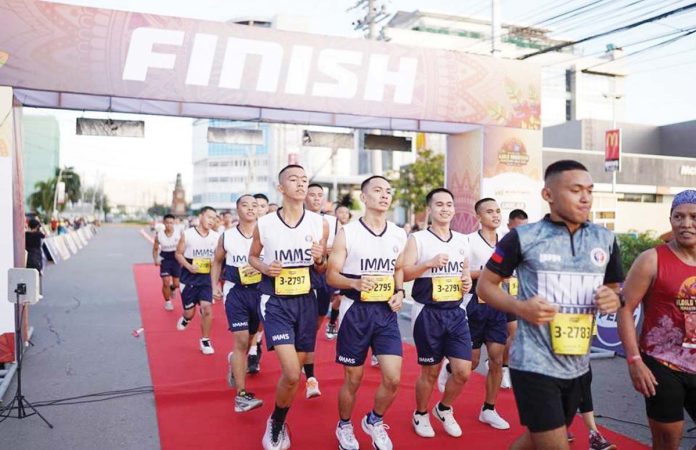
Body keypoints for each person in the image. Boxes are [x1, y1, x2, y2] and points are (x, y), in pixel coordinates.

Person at [477, 160, 623, 450]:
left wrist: (613, 298)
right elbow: (485, 286)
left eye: (590, 191)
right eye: (575, 190)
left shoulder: (605, 239)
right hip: (533, 363)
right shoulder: (523, 237)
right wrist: (521, 308)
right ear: (548, 195)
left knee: (536, 440)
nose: (585, 198)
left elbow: (613, 288)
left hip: (577, 364)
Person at [249, 165, 328, 450]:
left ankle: (278, 414)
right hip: (276, 302)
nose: (300, 184)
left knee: (295, 373)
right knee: (293, 373)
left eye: (304, 180)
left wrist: (320, 259)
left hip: (306, 301)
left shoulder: (320, 223)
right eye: (293, 179)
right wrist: (266, 268)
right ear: (281, 187)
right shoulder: (266, 223)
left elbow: (322, 268)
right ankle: (277, 423)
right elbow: (252, 257)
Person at [327, 175, 407, 450]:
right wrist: (354, 283)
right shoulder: (348, 232)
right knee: (354, 377)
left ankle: (373, 420)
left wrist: (400, 291)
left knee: (394, 378)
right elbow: (331, 275)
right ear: (364, 197)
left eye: (388, 191)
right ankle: (345, 425)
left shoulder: (399, 233)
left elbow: (399, 268)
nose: (384, 195)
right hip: (355, 312)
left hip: (385, 313)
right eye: (377, 190)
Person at [618, 189, 696, 450]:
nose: (686, 224)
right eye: (679, 216)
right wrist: (634, 361)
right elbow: (625, 308)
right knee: (668, 440)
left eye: (694, 217)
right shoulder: (651, 259)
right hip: (662, 364)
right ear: (670, 219)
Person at [403, 188, 473, 438]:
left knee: (464, 370)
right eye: (440, 204)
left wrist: (466, 283)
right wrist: (428, 264)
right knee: (430, 371)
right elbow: (404, 273)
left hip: (455, 312)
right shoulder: (418, 239)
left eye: (449, 204)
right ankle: (420, 413)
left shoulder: (463, 240)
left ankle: (443, 408)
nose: (445, 209)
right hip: (427, 312)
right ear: (430, 209)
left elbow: (465, 272)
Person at [449, 197, 510, 429]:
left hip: (497, 305)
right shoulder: (468, 241)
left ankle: (489, 409)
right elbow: (461, 273)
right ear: (478, 217)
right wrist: (487, 273)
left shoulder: (506, 242)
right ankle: (450, 369)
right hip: (474, 303)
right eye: (489, 211)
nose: (495, 215)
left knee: (496, 359)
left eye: (497, 211)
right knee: (472, 362)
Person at [211, 195, 263, 413]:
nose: (250, 209)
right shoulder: (228, 236)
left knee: (252, 337)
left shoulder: (267, 234)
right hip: (236, 292)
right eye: (245, 205)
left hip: (261, 292)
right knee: (241, 340)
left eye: (254, 205)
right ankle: (241, 396)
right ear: (237, 209)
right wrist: (214, 284)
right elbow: (217, 260)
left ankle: (235, 360)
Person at [302, 183, 339, 398]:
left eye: (320, 195)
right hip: (299, 278)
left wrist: (324, 252)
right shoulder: (294, 219)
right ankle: (310, 377)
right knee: (306, 328)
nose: (316, 198)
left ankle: (304, 354)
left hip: (322, 276)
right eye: (312, 194)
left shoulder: (331, 223)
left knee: (315, 324)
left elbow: (340, 248)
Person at [174, 206, 220, 355]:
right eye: (209, 217)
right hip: (188, 279)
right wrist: (188, 265)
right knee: (190, 312)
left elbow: (217, 262)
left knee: (207, 309)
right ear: (201, 216)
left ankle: (205, 340)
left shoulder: (216, 237)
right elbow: (178, 254)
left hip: (206, 279)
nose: (211, 221)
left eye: (214, 218)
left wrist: (215, 283)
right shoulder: (187, 234)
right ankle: (186, 318)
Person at [501, 209, 529, 389]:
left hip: (520, 298)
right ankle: (501, 366)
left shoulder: (529, 244)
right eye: (517, 228)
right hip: (500, 297)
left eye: (524, 228)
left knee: (514, 334)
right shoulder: (503, 244)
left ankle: (503, 366)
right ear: (509, 226)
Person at [248, 193, 271, 373]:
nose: (258, 209)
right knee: (250, 322)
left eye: (262, 206)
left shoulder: (274, 228)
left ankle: (255, 348)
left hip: (267, 283)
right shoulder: (238, 231)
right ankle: (251, 345)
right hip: (244, 285)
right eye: (255, 205)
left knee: (261, 317)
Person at [326, 204, 352, 340]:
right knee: (335, 299)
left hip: (347, 270)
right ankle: (331, 321)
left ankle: (333, 323)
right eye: (340, 212)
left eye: (346, 212)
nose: (343, 215)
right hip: (331, 269)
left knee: (340, 298)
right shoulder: (330, 229)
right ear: (335, 214)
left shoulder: (353, 230)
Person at [153, 214, 182, 311]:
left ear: (173, 223)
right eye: (167, 223)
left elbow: (185, 246)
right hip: (165, 259)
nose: (169, 225)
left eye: (171, 223)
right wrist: (155, 259)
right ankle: (168, 302)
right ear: (164, 223)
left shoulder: (179, 233)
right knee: (165, 282)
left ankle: (172, 288)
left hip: (176, 259)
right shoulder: (159, 235)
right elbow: (155, 249)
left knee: (177, 284)